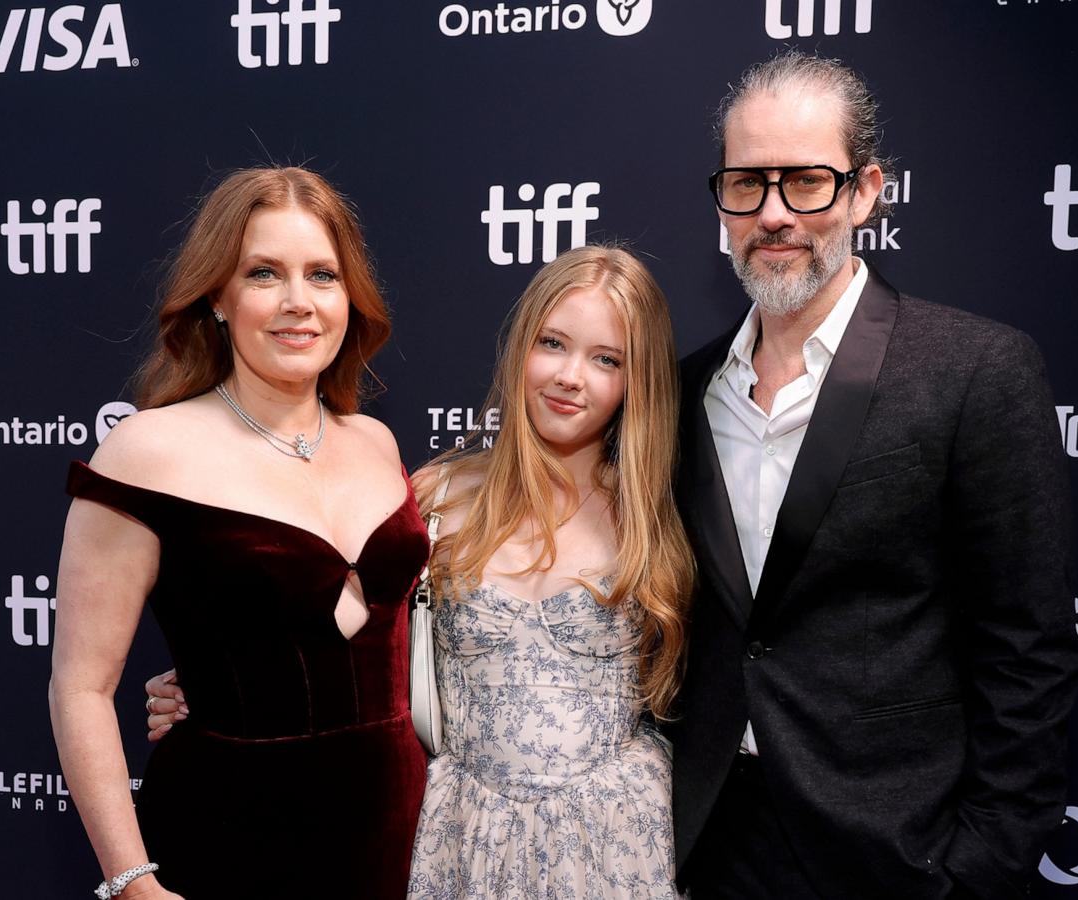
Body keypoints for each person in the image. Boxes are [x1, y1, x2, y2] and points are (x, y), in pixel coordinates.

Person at [146, 245, 695, 899]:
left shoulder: (661, 516)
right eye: (553, 343)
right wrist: (222, 682)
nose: (570, 376)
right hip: (464, 836)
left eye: (607, 359)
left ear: (640, 380)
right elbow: (345, 636)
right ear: (522, 347)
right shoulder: (437, 496)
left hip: (618, 840)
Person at [669, 52, 1078, 899]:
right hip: (706, 840)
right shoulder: (681, 390)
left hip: (893, 849)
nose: (774, 213)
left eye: (807, 183)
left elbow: (1027, 648)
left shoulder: (977, 370)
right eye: (747, 184)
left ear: (865, 191)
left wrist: (977, 868)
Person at [48, 166, 428, 899]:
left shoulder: (376, 441)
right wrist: (133, 883)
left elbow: (367, 634)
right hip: (225, 836)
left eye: (322, 274)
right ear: (218, 298)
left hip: (389, 837)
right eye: (264, 273)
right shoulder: (145, 452)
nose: (299, 302)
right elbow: (82, 688)